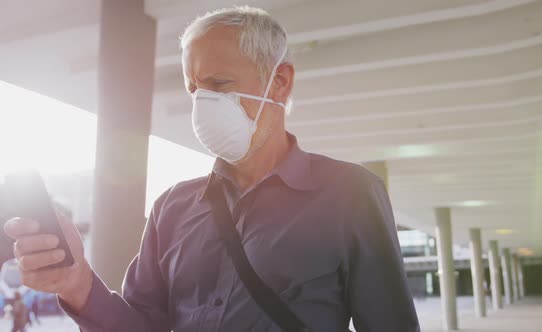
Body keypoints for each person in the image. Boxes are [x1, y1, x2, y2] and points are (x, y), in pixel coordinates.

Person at [2, 6, 419, 332]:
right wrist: (78, 286)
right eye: (193, 89)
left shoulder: (349, 193)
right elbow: (139, 326)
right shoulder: (172, 207)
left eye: (219, 84)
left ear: (280, 81)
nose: (203, 104)